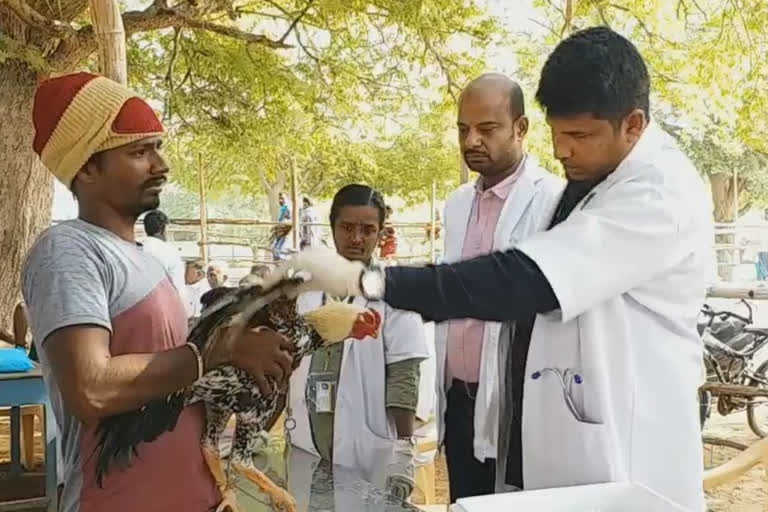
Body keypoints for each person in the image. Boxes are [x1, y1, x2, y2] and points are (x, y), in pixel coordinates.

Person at [266, 27, 715, 511]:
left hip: (627, 443)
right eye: (558, 133)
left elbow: (521, 281)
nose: (563, 150)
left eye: (580, 135)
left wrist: (369, 280)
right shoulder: (592, 178)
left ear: (633, 123)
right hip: (541, 426)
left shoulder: (658, 193)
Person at [21, 72, 296, 512]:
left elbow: (178, 387)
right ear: (88, 167)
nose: (161, 165)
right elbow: (91, 388)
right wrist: (219, 350)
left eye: (158, 148)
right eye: (139, 151)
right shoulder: (68, 251)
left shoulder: (148, 258)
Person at [438, 73, 564, 502]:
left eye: (487, 129)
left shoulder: (551, 202)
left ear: (521, 129)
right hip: (458, 398)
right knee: (463, 501)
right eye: (463, 129)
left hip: (515, 401)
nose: (472, 140)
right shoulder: (456, 206)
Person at [288, 184, 430, 501]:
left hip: (367, 445)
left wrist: (404, 448)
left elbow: (404, 375)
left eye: (367, 230)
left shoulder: (394, 295)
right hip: (307, 440)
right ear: (333, 227)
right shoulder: (306, 290)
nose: (356, 238)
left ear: (380, 234)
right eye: (347, 227)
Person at [141, 209, 189, 315]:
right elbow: (177, 285)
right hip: (169, 309)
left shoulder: (139, 249)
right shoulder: (168, 251)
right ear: (162, 229)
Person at [272, 192, 292, 260]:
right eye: (280, 199)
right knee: (275, 250)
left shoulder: (289, 208)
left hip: (286, 232)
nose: (280, 200)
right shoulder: (282, 208)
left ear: (287, 198)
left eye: (282, 199)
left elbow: (289, 221)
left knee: (279, 251)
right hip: (281, 232)